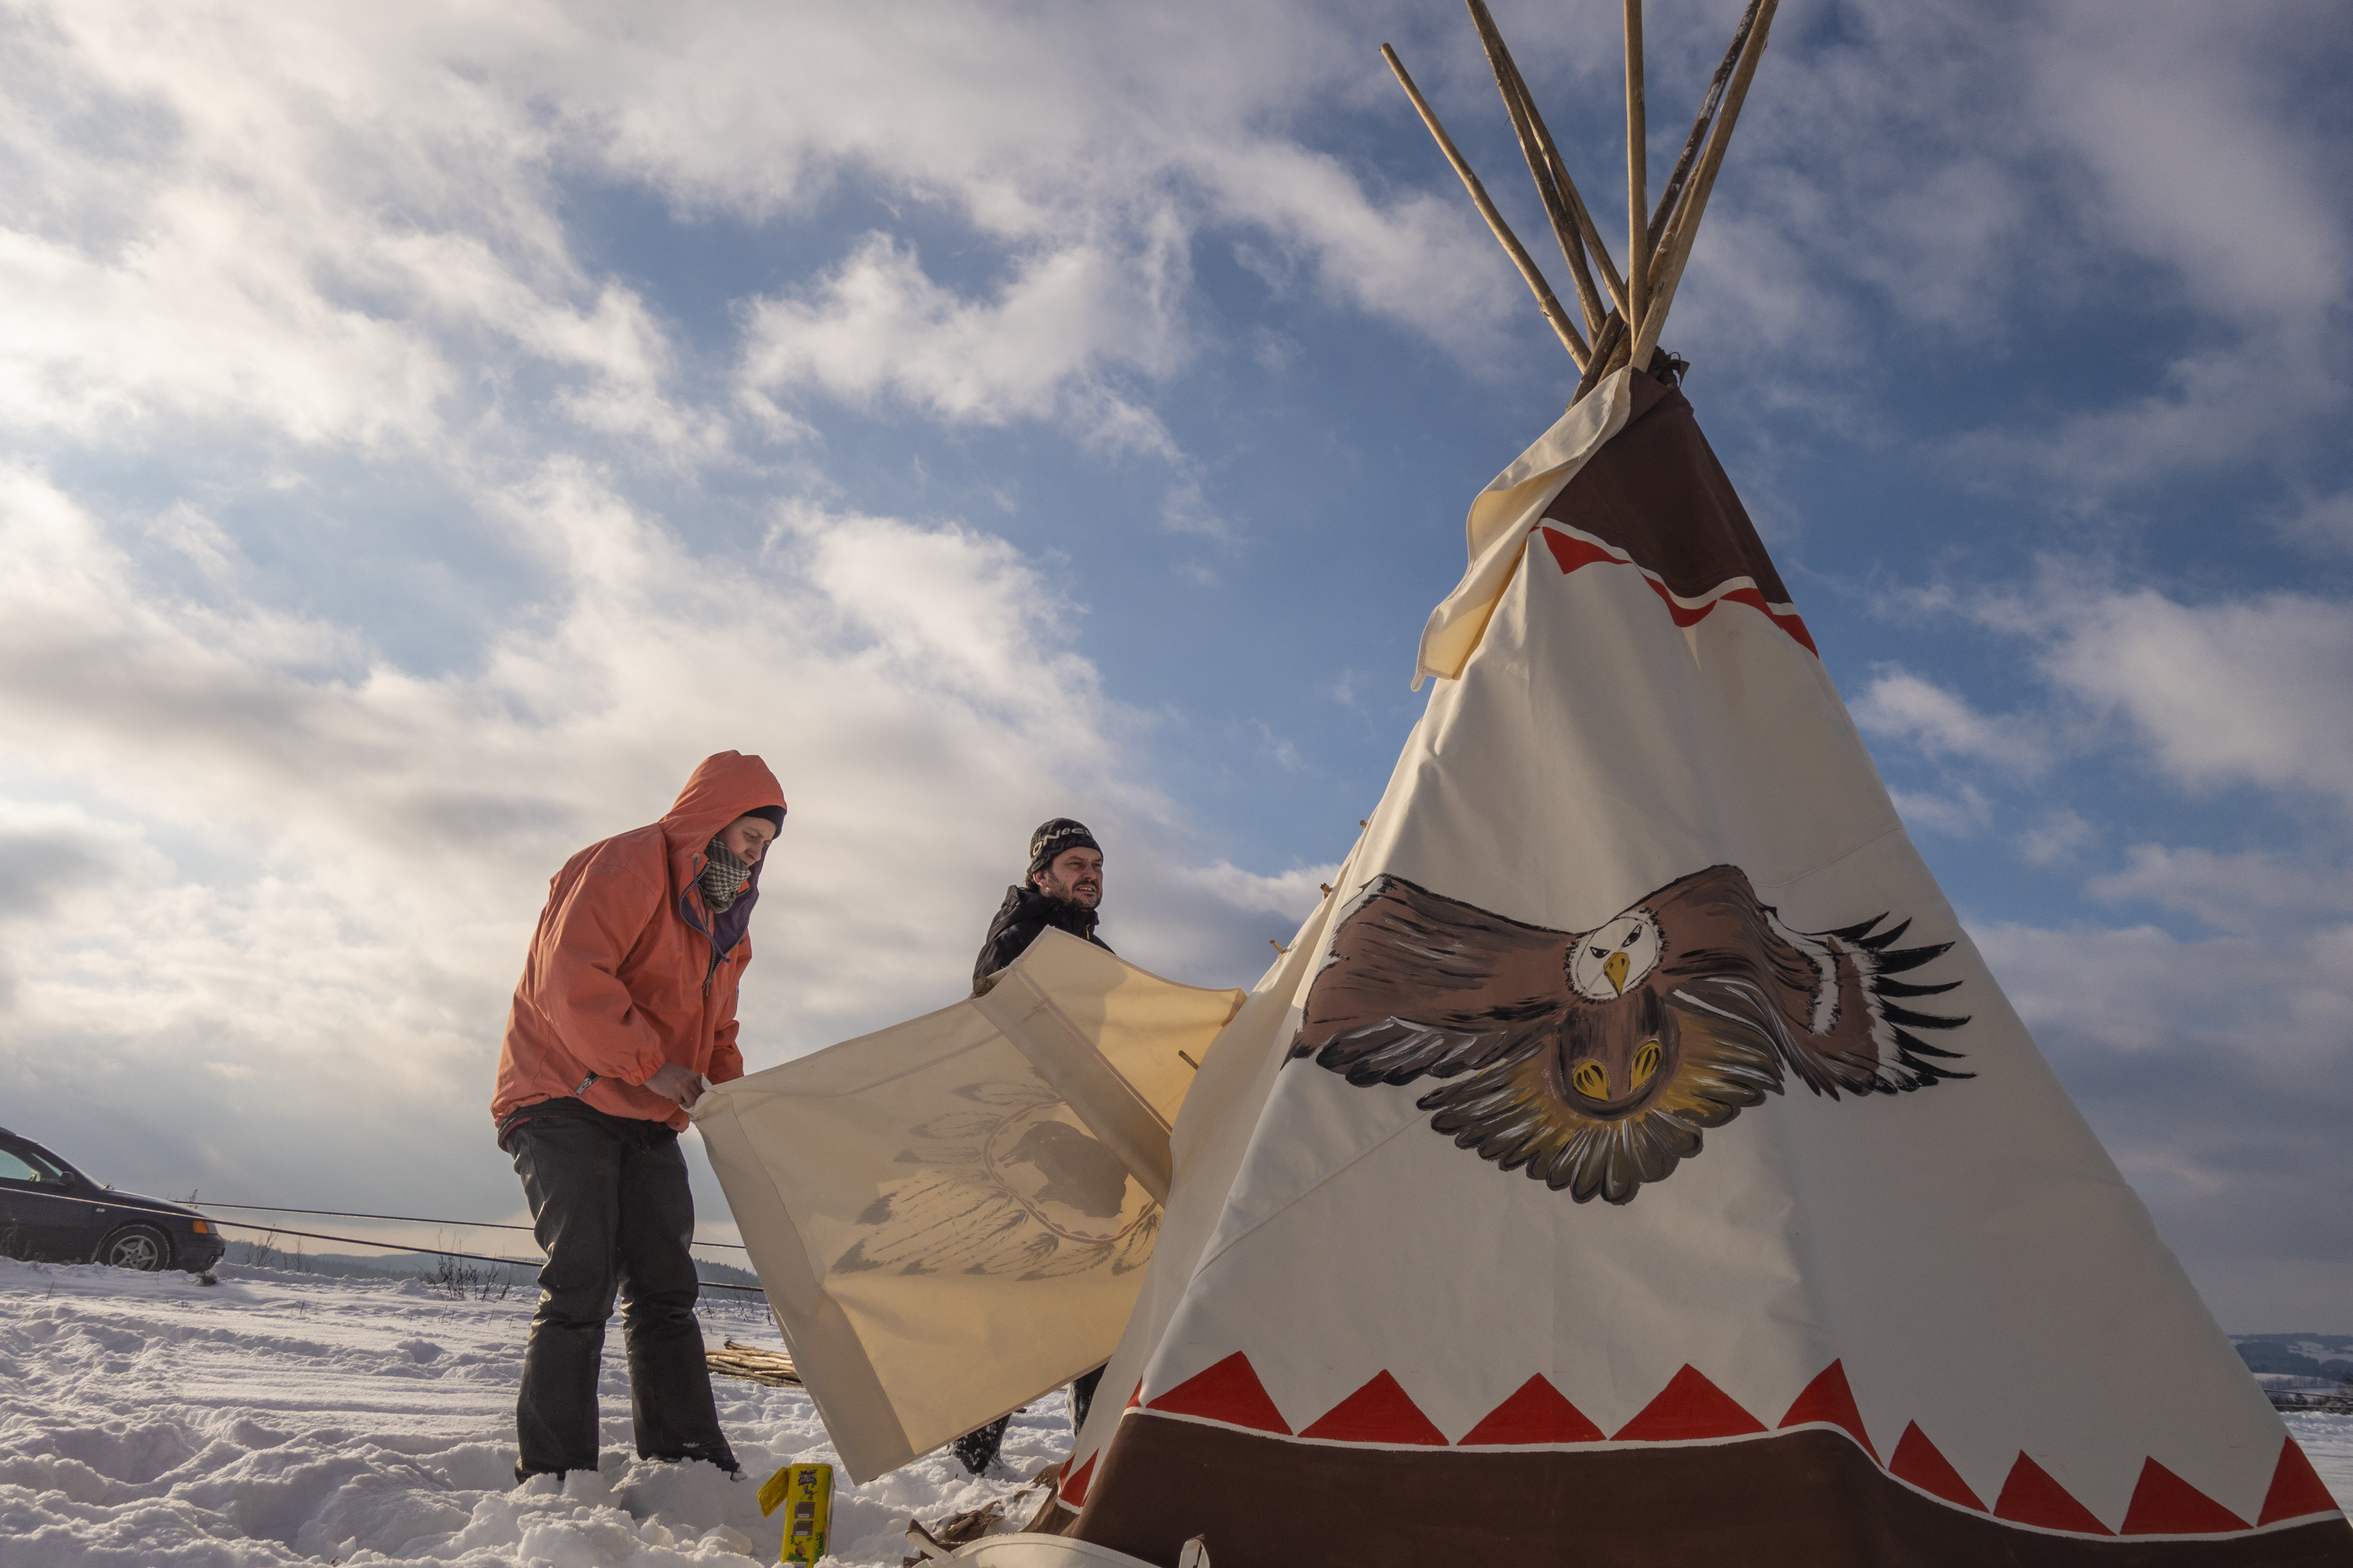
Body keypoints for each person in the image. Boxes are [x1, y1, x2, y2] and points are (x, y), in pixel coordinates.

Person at [490, 750, 788, 1484]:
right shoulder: (624, 864)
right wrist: (652, 1066)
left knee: (665, 1285)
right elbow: (571, 979)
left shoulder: (727, 924)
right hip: (564, 1094)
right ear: (713, 820)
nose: (757, 853)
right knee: (580, 1280)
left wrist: (736, 1102)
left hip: (649, 1111)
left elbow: (718, 1034)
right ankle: (556, 1474)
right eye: (751, 834)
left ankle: (685, 1460)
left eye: (767, 845)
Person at [952, 817, 1115, 1476]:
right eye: (1075, 862)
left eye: (1097, 864)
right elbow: (998, 1027)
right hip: (1028, 1148)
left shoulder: (1097, 954)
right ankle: (971, 1452)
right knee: (1021, 1301)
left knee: (1106, 1300)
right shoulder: (1017, 936)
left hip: (1086, 1146)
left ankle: (1096, 1448)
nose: (1090, 874)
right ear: (1040, 874)